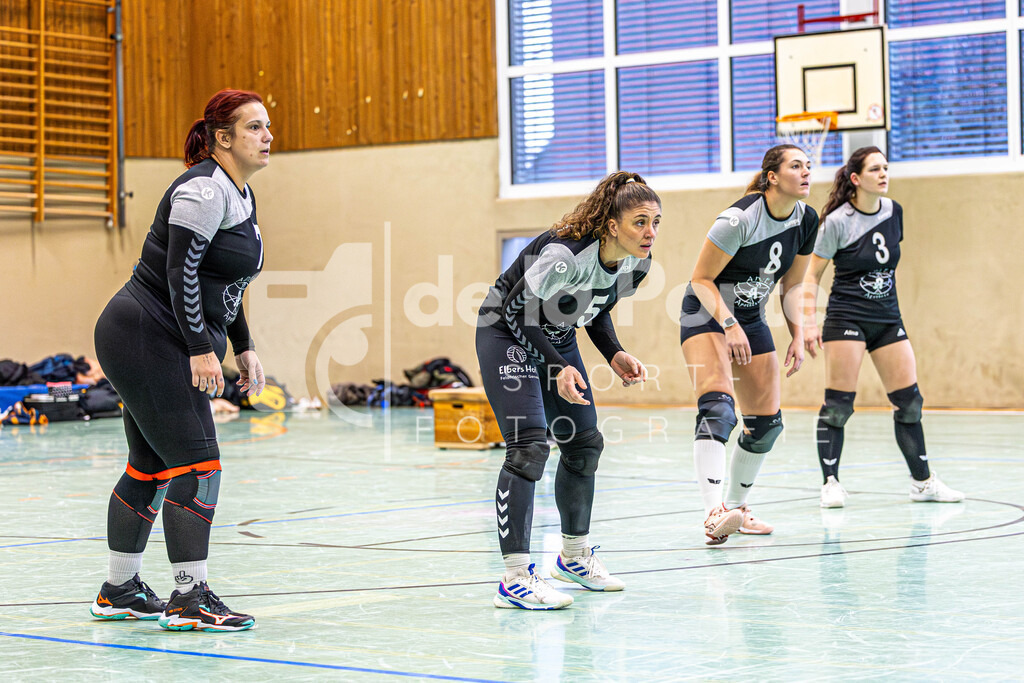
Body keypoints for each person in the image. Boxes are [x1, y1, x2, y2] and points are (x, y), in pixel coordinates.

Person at [90, 89, 271, 632]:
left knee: (150, 467)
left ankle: (119, 590)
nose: (267, 136)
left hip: (156, 336)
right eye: (254, 127)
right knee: (199, 468)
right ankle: (190, 599)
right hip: (146, 333)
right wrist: (199, 348)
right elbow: (180, 272)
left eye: (267, 126)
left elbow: (228, 284)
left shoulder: (239, 194)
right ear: (223, 138)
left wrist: (243, 345)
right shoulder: (203, 189)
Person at [476, 171, 659, 609]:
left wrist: (613, 352)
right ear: (612, 225)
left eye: (655, 222)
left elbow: (594, 308)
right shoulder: (565, 254)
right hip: (505, 330)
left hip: (555, 336)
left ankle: (573, 557)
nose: (650, 232)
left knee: (584, 444)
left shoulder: (637, 263)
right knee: (528, 448)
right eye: (639, 222)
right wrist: (557, 367)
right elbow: (518, 311)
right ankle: (515, 578)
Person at [802, 146, 963, 508]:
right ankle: (830, 483)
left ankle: (922, 483)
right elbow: (811, 275)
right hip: (847, 317)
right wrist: (809, 323)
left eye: (886, 167)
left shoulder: (894, 212)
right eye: (875, 169)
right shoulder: (836, 222)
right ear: (856, 178)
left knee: (910, 403)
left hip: (888, 318)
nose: (884, 174)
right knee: (839, 406)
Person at [680, 144, 817, 545]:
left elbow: (792, 284)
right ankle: (713, 514)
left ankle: (736, 510)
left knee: (766, 426)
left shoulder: (807, 219)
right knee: (719, 410)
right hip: (707, 313)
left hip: (750, 317)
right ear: (772, 176)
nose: (806, 172)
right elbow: (700, 280)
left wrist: (797, 333)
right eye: (796, 166)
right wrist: (729, 325)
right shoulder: (738, 219)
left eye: (808, 166)